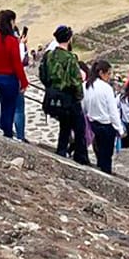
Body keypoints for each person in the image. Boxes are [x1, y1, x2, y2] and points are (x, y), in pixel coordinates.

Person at [41, 26, 87, 164]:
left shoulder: (49, 55)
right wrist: (79, 96)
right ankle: (80, 156)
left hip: (53, 94)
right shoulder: (70, 58)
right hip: (68, 97)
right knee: (79, 127)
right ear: (69, 38)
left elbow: (43, 74)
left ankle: (61, 150)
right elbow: (76, 81)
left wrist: (50, 87)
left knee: (64, 125)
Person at [0, 11, 28, 139]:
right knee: (8, 108)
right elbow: (17, 63)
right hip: (10, 78)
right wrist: (24, 82)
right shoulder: (12, 40)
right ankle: (7, 133)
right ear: (11, 22)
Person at [82, 59, 123, 175]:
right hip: (106, 126)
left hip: (93, 124)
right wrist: (119, 128)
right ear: (101, 73)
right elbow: (113, 112)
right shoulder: (106, 89)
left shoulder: (85, 86)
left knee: (98, 152)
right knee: (107, 156)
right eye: (108, 73)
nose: (110, 77)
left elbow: (83, 106)